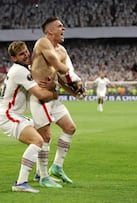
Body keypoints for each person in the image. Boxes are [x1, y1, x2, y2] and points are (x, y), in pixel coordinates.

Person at [30, 16, 85, 188]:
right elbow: (59, 67)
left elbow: (60, 79)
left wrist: (74, 92)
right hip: (40, 97)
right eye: (60, 26)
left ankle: (57, 167)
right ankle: (43, 176)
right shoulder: (42, 43)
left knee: (70, 128)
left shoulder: (62, 51)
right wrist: (75, 79)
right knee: (45, 136)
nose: (64, 29)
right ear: (50, 31)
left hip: (52, 96)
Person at [0, 41, 58, 193]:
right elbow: (41, 94)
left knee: (45, 134)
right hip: (8, 116)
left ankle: (41, 175)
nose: (26, 55)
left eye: (26, 51)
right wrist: (54, 91)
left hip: (16, 115)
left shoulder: (25, 69)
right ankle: (20, 183)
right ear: (14, 58)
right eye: (21, 54)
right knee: (37, 140)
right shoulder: (19, 71)